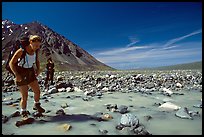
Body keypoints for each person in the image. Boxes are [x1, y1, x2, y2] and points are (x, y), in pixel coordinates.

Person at [9, 35, 45, 118]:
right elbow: (11, 63)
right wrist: (16, 75)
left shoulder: (36, 51)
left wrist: (38, 69)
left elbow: (37, 61)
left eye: (39, 45)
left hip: (30, 72)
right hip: (21, 72)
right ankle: (23, 112)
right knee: (25, 96)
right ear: (30, 42)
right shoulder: (21, 51)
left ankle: (36, 105)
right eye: (36, 45)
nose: (37, 47)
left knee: (37, 91)